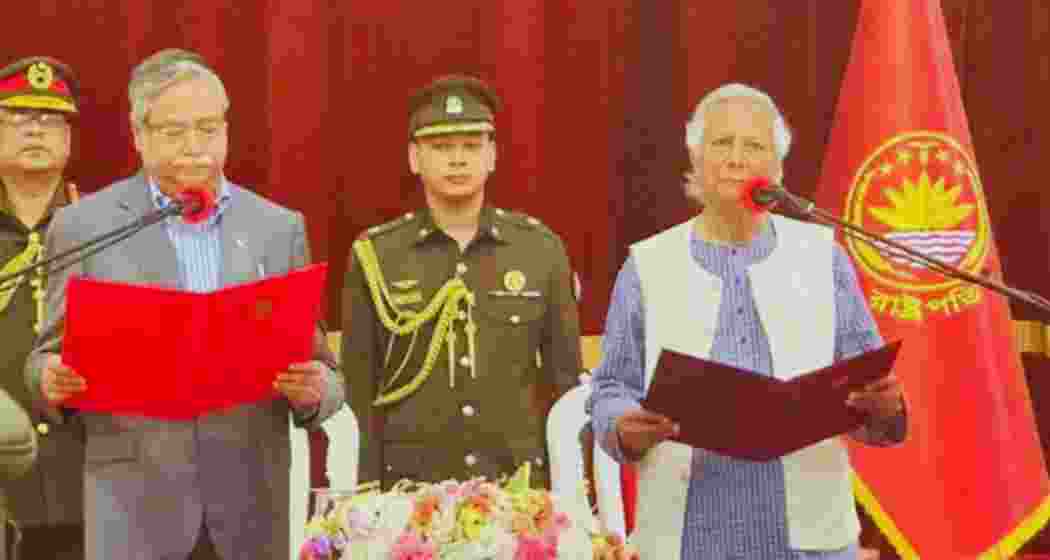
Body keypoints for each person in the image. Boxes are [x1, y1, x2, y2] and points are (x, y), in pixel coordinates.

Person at [23, 49, 345, 560]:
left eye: (208, 129)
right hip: (133, 509)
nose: (195, 148)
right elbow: (43, 358)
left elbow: (327, 374)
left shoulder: (277, 229)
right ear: (139, 135)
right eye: (174, 132)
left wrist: (313, 390)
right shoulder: (85, 226)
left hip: (248, 512)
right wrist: (50, 379)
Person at [586, 83, 907, 559]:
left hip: (812, 541)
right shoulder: (647, 266)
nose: (736, 158)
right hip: (686, 540)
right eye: (721, 144)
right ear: (695, 161)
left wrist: (884, 407)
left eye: (754, 146)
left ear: (777, 169)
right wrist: (623, 428)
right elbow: (611, 387)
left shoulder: (823, 258)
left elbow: (868, 383)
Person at [342, 74, 582, 489]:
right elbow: (359, 392)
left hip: (516, 491)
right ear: (414, 158)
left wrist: (570, 494)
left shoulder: (540, 250)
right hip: (408, 493)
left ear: (493, 155)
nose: (457, 160)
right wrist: (362, 499)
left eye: (471, 146)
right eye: (441, 147)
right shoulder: (376, 254)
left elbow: (567, 388)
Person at [0, 55, 84, 559]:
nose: (36, 130)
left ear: (69, 138)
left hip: (87, 486)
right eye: (17, 118)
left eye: (51, 119)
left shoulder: (103, 230)